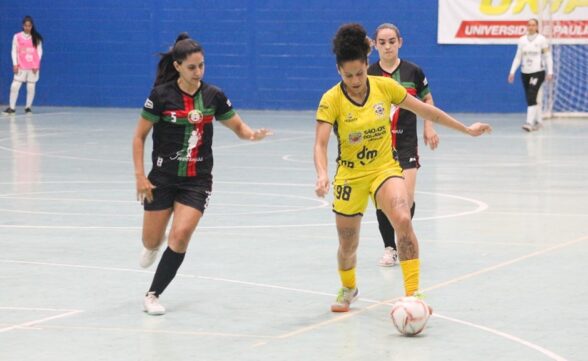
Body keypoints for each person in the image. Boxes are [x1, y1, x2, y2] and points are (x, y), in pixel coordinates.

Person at [314, 23, 491, 313]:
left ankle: (414, 294)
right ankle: (348, 288)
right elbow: (320, 144)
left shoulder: (384, 87)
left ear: (366, 66)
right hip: (350, 176)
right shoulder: (331, 99)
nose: (356, 80)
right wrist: (322, 174)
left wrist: (466, 129)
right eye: (349, 75)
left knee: (403, 217)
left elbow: (426, 110)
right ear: (339, 71)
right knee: (348, 246)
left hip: (384, 169)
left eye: (360, 73)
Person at [133, 33, 271, 315]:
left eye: (202, 66)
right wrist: (140, 176)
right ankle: (152, 245)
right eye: (192, 67)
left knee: (181, 235)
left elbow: (238, 127)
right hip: (162, 178)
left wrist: (251, 135)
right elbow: (139, 138)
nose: (198, 72)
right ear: (178, 67)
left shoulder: (213, 96)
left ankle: (153, 294)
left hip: (197, 180)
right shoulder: (161, 96)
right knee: (151, 241)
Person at [368, 23, 439, 267]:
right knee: (382, 200)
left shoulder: (413, 72)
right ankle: (390, 247)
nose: (387, 46)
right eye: (382, 42)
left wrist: (429, 126)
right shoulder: (368, 73)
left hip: (406, 142)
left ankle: (403, 237)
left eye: (391, 41)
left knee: (405, 199)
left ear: (400, 42)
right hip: (378, 147)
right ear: (375, 45)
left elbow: (427, 98)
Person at [508, 18, 553, 132]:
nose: (531, 27)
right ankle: (539, 121)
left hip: (538, 72)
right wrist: (512, 71)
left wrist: (550, 71)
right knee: (531, 97)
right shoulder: (522, 40)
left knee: (532, 95)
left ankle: (529, 122)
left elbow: (547, 56)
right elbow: (518, 57)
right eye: (529, 25)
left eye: (533, 25)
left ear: (537, 27)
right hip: (525, 72)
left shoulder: (542, 40)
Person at [2, 16, 43, 115]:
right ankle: (12, 108)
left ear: (32, 26)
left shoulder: (36, 37)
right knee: (14, 86)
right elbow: (14, 51)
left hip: (33, 67)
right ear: (23, 26)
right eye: (25, 25)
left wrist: (36, 65)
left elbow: (39, 51)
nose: (27, 27)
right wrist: (15, 64)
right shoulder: (17, 36)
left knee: (31, 87)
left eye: (29, 26)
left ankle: (28, 108)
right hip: (21, 66)